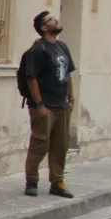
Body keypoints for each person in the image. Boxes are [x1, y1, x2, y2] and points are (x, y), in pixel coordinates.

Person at [23, 11, 77, 198]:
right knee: (40, 144)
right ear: (44, 27)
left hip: (62, 105)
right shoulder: (37, 49)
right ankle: (31, 181)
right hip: (44, 106)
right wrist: (39, 105)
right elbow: (31, 78)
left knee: (60, 146)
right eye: (51, 20)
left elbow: (68, 74)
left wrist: (71, 99)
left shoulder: (62, 47)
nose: (56, 20)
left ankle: (57, 182)